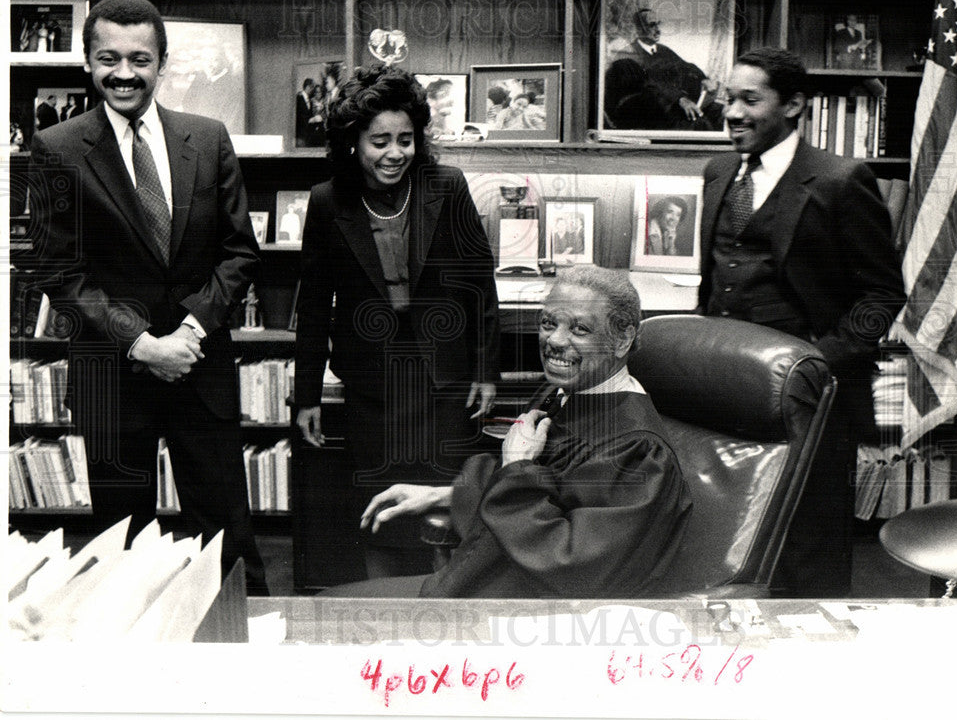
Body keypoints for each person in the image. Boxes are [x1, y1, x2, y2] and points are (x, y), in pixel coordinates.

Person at [29, 0, 267, 594]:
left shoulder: (208, 138)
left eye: (140, 59)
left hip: (200, 364)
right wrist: (140, 343)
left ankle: (256, 652)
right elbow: (60, 271)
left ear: (163, 62)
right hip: (113, 375)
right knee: (121, 543)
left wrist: (187, 333)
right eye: (108, 58)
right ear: (87, 61)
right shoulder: (57, 148)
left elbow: (240, 253)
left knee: (227, 534)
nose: (124, 73)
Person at [698, 47, 905, 597]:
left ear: (793, 105)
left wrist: (819, 360)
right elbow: (714, 280)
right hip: (728, 390)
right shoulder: (718, 172)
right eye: (728, 98)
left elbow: (882, 296)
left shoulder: (841, 180)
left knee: (808, 544)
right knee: (730, 529)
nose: (732, 113)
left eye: (750, 99)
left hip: (815, 398)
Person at [352, 266, 692, 598]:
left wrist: (517, 468)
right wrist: (445, 495)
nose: (555, 340)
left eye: (580, 330)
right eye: (548, 323)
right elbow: (542, 489)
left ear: (622, 339)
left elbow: (576, 568)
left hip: (533, 618)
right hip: (493, 580)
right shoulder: (562, 394)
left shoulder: (639, 452)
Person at [295, 64, 500, 578]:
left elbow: (479, 283)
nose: (394, 154)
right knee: (381, 510)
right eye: (380, 141)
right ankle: (388, 612)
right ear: (352, 143)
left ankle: (447, 607)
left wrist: (485, 370)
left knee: (441, 513)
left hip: (444, 380)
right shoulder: (326, 202)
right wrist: (306, 397)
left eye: (405, 140)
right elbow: (316, 304)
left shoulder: (447, 187)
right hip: (372, 386)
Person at [607, 7, 723, 132]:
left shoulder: (662, 50)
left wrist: (703, 79)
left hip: (675, 105)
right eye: (652, 25)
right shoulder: (628, 54)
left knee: (720, 111)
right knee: (700, 124)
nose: (658, 30)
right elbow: (648, 86)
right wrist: (679, 99)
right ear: (638, 29)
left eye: (658, 24)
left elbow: (686, 66)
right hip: (655, 114)